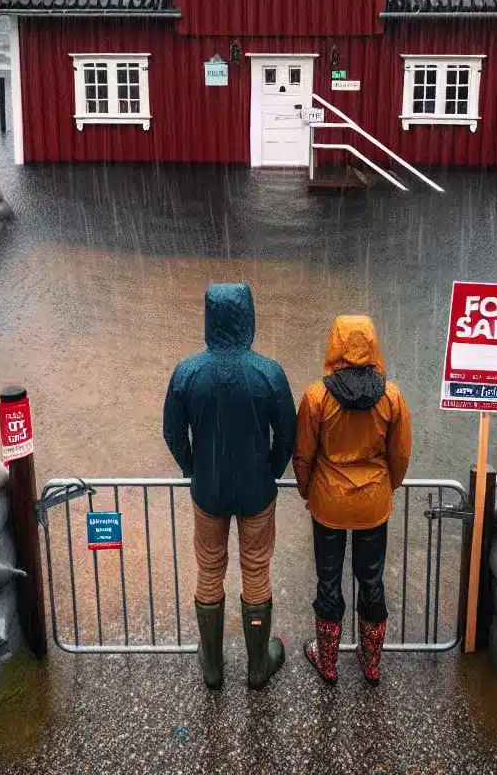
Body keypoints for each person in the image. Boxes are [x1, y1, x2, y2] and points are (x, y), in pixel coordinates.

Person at [162, 282, 296, 690]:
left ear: (209, 318)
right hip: (256, 491)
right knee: (255, 570)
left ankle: (213, 667)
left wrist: (194, 468)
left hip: (209, 493)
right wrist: (270, 470)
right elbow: (288, 434)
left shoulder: (186, 372)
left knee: (209, 570)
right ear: (248, 317)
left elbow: (172, 433)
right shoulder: (269, 373)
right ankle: (258, 668)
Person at [293, 314, 412, 686]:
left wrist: (306, 490)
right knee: (371, 578)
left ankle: (327, 662)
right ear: (373, 344)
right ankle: (371, 662)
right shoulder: (391, 395)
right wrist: (388, 485)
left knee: (329, 579)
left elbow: (303, 454)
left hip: (328, 502)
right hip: (373, 502)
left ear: (335, 344)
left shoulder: (317, 396)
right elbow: (401, 453)